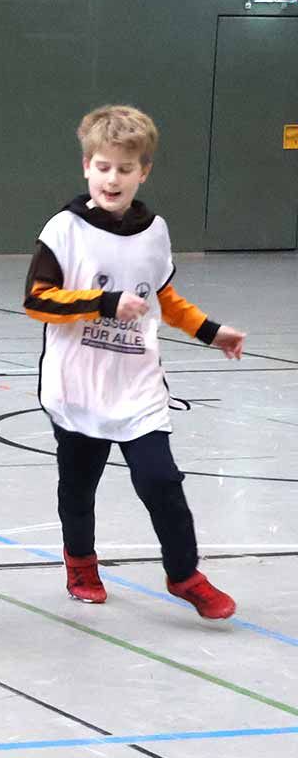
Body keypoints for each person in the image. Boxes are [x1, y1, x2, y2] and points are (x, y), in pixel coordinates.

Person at [23, 104, 244, 619]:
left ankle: (184, 575)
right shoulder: (64, 229)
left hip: (137, 385)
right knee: (79, 486)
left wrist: (211, 331)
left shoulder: (155, 231)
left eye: (125, 169)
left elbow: (164, 297)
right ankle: (80, 563)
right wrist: (103, 303)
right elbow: (37, 300)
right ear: (86, 166)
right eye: (103, 167)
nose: (112, 179)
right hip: (78, 386)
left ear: (143, 172)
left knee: (161, 480)